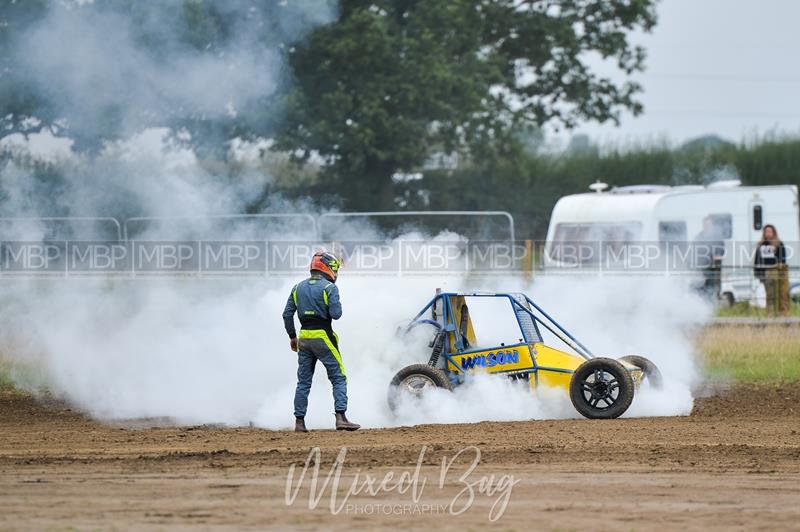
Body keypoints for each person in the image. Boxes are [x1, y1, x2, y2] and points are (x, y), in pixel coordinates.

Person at [282, 251, 360, 432]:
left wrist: (292, 337)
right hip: (323, 336)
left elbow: (287, 314)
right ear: (327, 268)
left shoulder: (297, 287)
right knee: (339, 377)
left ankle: (299, 423)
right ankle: (341, 418)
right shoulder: (329, 288)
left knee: (303, 382)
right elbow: (336, 315)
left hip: (304, 337)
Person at [754, 224, 789, 316]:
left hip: (777, 272)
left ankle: (782, 313)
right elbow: (757, 260)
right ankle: (770, 313)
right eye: (766, 231)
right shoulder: (760, 245)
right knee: (769, 294)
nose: (768, 233)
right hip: (765, 272)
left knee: (781, 294)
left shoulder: (779, 244)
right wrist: (757, 272)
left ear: (774, 232)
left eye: (770, 231)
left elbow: (783, 258)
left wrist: (780, 265)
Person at [693, 216, 725, 298]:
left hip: (715, 266)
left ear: (712, 225)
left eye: (709, 224)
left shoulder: (717, 236)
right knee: (703, 286)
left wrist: (717, 255)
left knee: (714, 285)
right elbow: (695, 249)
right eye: (705, 224)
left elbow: (721, 249)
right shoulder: (699, 237)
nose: (707, 226)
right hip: (703, 266)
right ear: (703, 225)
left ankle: (715, 300)